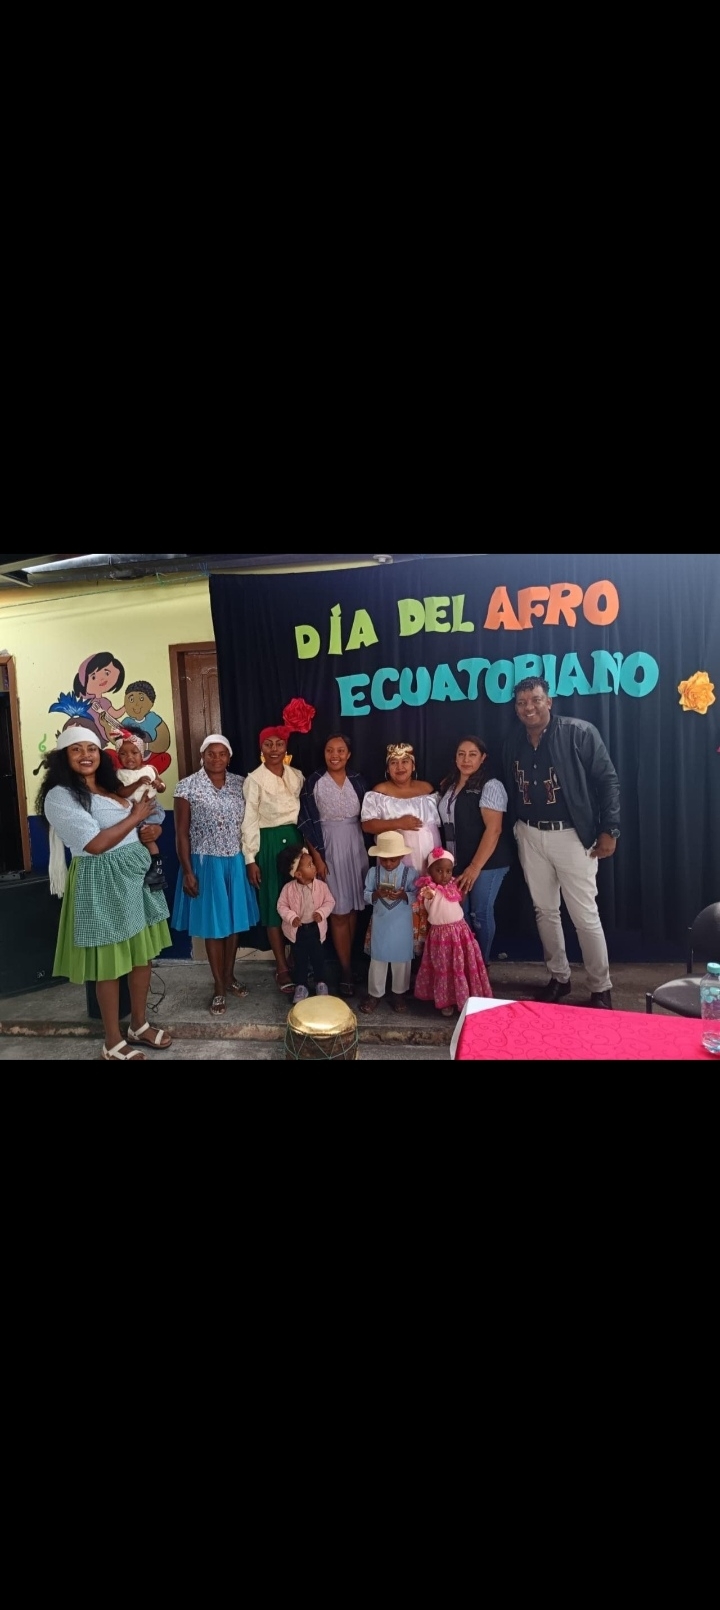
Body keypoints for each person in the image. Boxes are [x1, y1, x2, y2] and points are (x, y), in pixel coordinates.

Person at [36, 725, 172, 1062]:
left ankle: (138, 1025)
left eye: (92, 749)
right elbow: (95, 845)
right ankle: (112, 1042)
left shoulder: (109, 787)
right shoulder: (60, 796)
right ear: (63, 757)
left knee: (142, 956)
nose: (86, 755)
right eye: (77, 749)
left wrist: (149, 829)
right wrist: (136, 816)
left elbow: (132, 825)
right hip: (101, 878)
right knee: (110, 964)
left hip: (134, 874)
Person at [502, 675, 620, 1008]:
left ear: (549, 701)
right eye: (522, 702)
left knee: (585, 915)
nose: (529, 707)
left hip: (572, 835)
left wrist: (610, 829)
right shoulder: (513, 740)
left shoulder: (578, 733)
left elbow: (608, 781)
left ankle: (600, 987)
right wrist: (517, 829)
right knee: (545, 911)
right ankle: (559, 978)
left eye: (535, 700)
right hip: (530, 834)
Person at [172, 734, 259, 1015]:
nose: (217, 758)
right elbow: (181, 834)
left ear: (229, 756)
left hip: (235, 861)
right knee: (213, 926)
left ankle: (230, 975)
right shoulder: (187, 787)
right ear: (202, 756)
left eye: (222, 754)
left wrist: (250, 858)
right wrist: (188, 870)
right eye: (211, 753)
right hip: (206, 863)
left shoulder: (241, 783)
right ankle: (219, 986)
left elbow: (250, 823)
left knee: (233, 924)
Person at [298, 733, 369, 997]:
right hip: (327, 847)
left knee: (352, 911)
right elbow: (306, 822)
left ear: (348, 754)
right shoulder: (314, 781)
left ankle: (349, 963)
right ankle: (346, 971)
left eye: (340, 750)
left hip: (355, 848)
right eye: (330, 750)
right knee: (338, 912)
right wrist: (317, 858)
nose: (335, 755)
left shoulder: (358, 780)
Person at [242, 726, 308, 994]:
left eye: (279, 744)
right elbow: (250, 820)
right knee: (273, 903)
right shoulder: (254, 780)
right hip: (267, 843)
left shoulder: (297, 776)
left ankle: (297, 959)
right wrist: (250, 858)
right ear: (261, 748)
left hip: (294, 841)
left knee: (298, 901)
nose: (274, 749)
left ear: (286, 747)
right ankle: (281, 966)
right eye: (268, 744)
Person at [437, 735, 512, 964]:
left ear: (483, 758)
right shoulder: (449, 785)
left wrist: (474, 867)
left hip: (486, 863)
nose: (466, 760)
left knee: (479, 913)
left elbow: (494, 829)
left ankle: (482, 963)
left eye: (472, 754)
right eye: (461, 754)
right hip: (458, 860)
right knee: (460, 914)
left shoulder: (491, 786)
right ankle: (468, 962)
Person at [414, 848, 492, 1015]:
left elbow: (459, 902)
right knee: (443, 967)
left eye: (448, 871)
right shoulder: (429, 889)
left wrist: (461, 892)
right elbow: (427, 897)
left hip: (459, 932)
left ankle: (465, 997)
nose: (444, 875)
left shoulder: (454, 886)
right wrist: (428, 892)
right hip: (440, 936)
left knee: (461, 966)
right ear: (430, 871)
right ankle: (446, 1000)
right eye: (439, 871)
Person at [360, 830, 418, 1014]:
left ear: (401, 856)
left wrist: (403, 895)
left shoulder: (410, 874)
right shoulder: (373, 873)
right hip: (381, 924)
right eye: (384, 860)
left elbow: (417, 895)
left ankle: (399, 994)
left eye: (393, 860)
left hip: (402, 925)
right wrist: (376, 894)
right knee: (378, 959)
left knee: (402, 960)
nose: (388, 863)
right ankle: (374, 994)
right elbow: (365, 895)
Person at [361, 742, 442, 871]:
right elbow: (367, 825)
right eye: (394, 762)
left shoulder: (428, 789)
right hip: (395, 858)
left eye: (405, 761)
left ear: (413, 766)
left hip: (430, 857)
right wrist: (398, 823)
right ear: (388, 769)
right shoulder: (379, 793)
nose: (400, 767)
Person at [277, 844, 336, 1004]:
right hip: (298, 932)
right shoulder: (288, 889)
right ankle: (301, 986)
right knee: (300, 960)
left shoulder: (321, 887)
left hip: (316, 930)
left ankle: (320, 983)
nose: (314, 867)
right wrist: (291, 917)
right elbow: (281, 906)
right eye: (310, 865)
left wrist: (321, 913)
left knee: (319, 958)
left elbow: (330, 901)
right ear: (298, 874)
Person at [114, 732, 168, 889]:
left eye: (134, 752)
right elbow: (121, 792)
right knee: (135, 839)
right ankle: (148, 869)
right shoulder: (120, 774)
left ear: (142, 754)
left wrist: (159, 785)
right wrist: (137, 783)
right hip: (131, 812)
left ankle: (157, 868)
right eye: (123, 754)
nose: (129, 757)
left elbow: (162, 786)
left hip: (151, 809)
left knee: (147, 837)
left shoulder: (150, 769)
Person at [71, 651, 126, 745]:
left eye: (107, 673)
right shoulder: (86, 705)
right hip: (90, 735)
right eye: (93, 677)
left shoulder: (104, 702)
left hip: (103, 735)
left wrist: (126, 707)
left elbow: (115, 714)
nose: (102, 679)